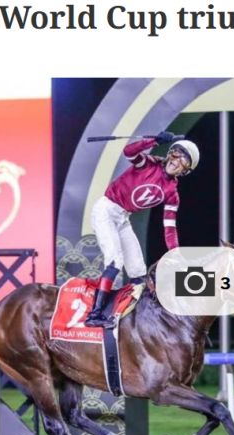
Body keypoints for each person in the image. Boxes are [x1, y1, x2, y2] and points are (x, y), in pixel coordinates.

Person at [84, 132, 200, 327]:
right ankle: (94, 315)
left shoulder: (172, 193)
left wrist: (176, 253)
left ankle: (128, 316)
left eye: (183, 161)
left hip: (123, 218)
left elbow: (169, 228)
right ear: (169, 153)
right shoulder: (149, 163)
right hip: (106, 210)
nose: (176, 161)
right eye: (176, 154)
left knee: (138, 270)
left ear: (185, 171)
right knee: (115, 261)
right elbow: (129, 151)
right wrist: (155, 141)